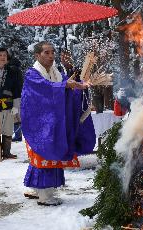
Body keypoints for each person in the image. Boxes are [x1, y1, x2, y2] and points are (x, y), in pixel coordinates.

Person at [21, 41, 96, 206]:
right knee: (44, 155)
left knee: (45, 154)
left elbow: (64, 88)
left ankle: (34, 188)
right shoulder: (32, 74)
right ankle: (45, 196)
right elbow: (46, 88)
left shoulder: (56, 73)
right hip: (38, 125)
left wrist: (79, 87)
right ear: (37, 55)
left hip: (51, 123)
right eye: (46, 53)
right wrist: (64, 85)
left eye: (52, 52)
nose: (51, 56)